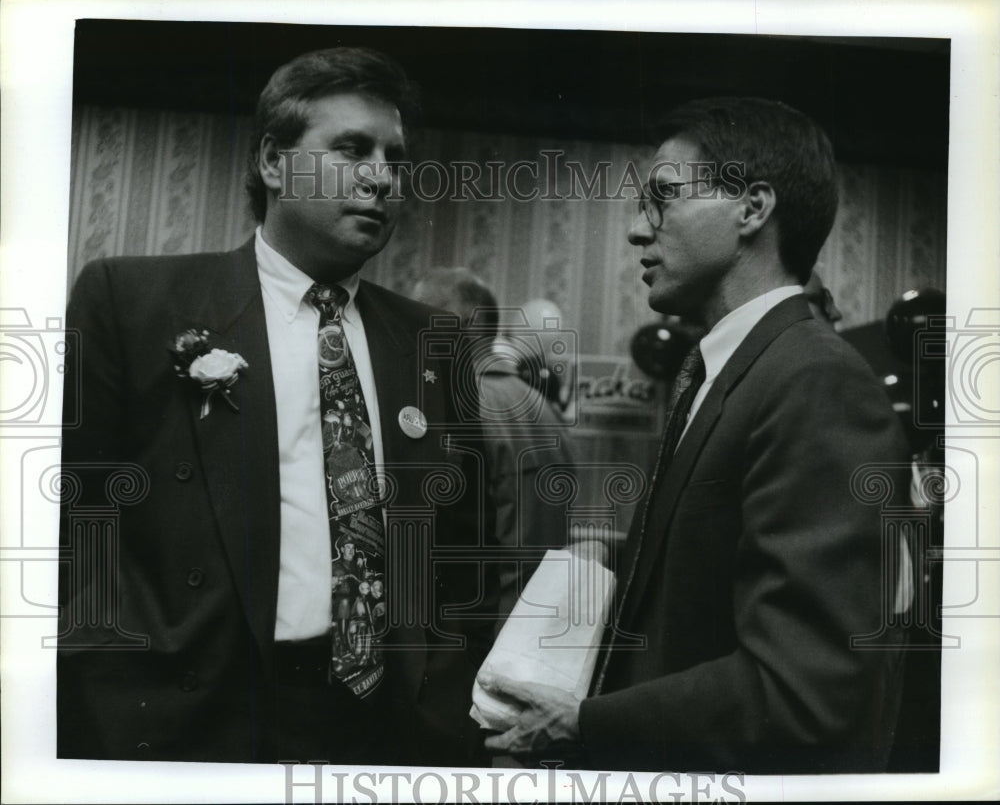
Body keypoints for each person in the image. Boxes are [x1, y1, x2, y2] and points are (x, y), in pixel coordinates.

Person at [57, 47, 496, 765]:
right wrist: (99, 673)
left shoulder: (432, 341)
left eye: (394, 156)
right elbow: (67, 517)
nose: (382, 177)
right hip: (182, 714)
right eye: (351, 149)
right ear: (272, 161)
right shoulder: (131, 302)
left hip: (378, 722)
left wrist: (446, 697)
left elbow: (465, 551)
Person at [478, 97, 909, 774]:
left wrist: (585, 725)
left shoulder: (817, 381)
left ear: (751, 209)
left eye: (663, 199)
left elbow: (806, 690)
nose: (636, 230)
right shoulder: (734, 367)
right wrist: (627, 554)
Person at [411, 268, 576, 623]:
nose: (409, 330)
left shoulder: (460, 409)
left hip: (479, 636)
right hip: (533, 624)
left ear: (462, 322)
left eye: (420, 315)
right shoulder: (540, 405)